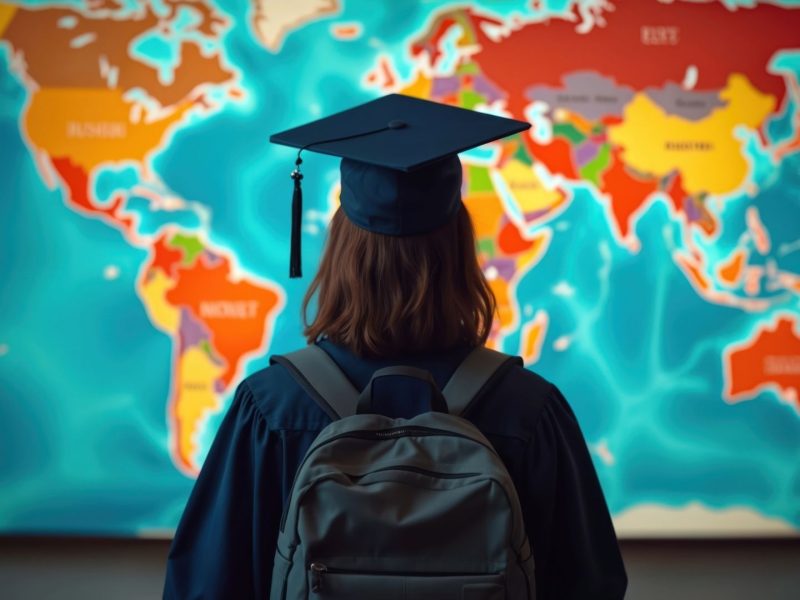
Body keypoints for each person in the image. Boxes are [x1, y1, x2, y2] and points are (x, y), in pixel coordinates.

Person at [163, 94, 627, 599]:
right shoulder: (529, 411)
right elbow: (591, 587)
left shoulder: (272, 410)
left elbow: (205, 587)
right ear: (459, 249)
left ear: (342, 249)